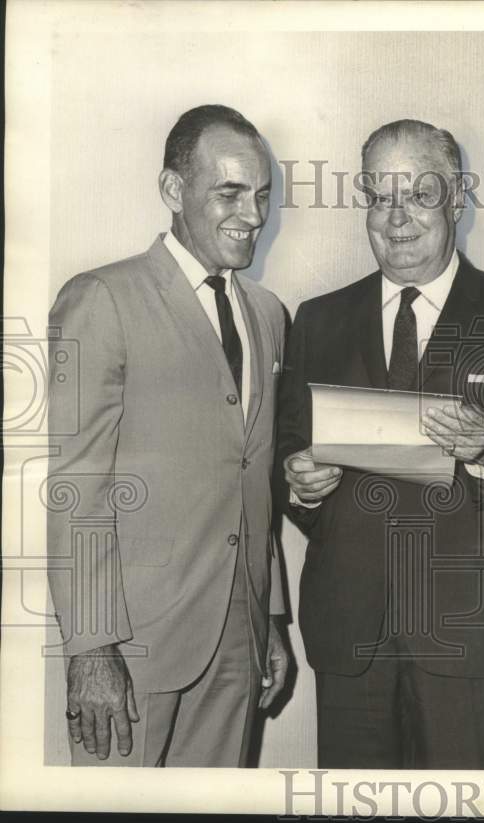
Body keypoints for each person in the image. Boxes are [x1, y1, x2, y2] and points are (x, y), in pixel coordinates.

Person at [275, 119, 484, 769]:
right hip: (353, 642)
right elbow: (285, 447)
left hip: (480, 641)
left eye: (420, 195)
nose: (396, 217)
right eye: (379, 196)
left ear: (457, 199)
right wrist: (297, 481)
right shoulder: (318, 319)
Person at [46, 104, 289, 766]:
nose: (253, 215)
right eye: (230, 193)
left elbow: (254, 475)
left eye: (262, 194)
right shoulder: (102, 298)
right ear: (173, 190)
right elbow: (76, 488)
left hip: (238, 642)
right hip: (131, 649)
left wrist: (268, 616)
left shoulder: (269, 314)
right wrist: (91, 645)